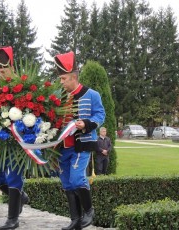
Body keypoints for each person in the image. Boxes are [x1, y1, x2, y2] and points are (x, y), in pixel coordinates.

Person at [54, 51, 105, 230]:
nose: (61, 82)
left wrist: (87, 123)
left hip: (81, 145)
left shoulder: (92, 95)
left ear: (73, 77)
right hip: (62, 148)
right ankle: (75, 219)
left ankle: (89, 211)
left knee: (77, 179)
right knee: (67, 183)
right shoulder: (59, 97)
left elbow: (100, 115)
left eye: (63, 78)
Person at [0, 46, 29, 230]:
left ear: (12, 68)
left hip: (17, 140)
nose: (1, 74)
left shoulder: (22, 87)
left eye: (3, 70)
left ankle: (12, 218)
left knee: (14, 177)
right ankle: (21, 197)